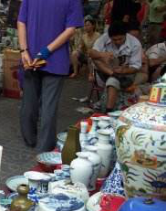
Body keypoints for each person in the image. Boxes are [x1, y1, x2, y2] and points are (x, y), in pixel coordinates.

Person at [18, 0, 84, 153]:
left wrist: (23, 50)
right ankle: (44, 147)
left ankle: (29, 140)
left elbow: (21, 22)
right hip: (56, 58)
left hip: (30, 56)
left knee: (29, 102)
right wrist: (47, 51)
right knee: (49, 106)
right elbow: (70, 30)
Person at [90, 21, 143, 112]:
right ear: (110, 37)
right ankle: (114, 74)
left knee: (113, 81)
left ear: (125, 35)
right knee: (96, 59)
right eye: (114, 40)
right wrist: (103, 54)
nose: (117, 42)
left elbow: (136, 66)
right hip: (105, 71)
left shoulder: (135, 43)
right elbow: (90, 53)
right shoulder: (104, 38)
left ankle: (108, 110)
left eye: (120, 39)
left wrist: (123, 71)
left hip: (125, 74)